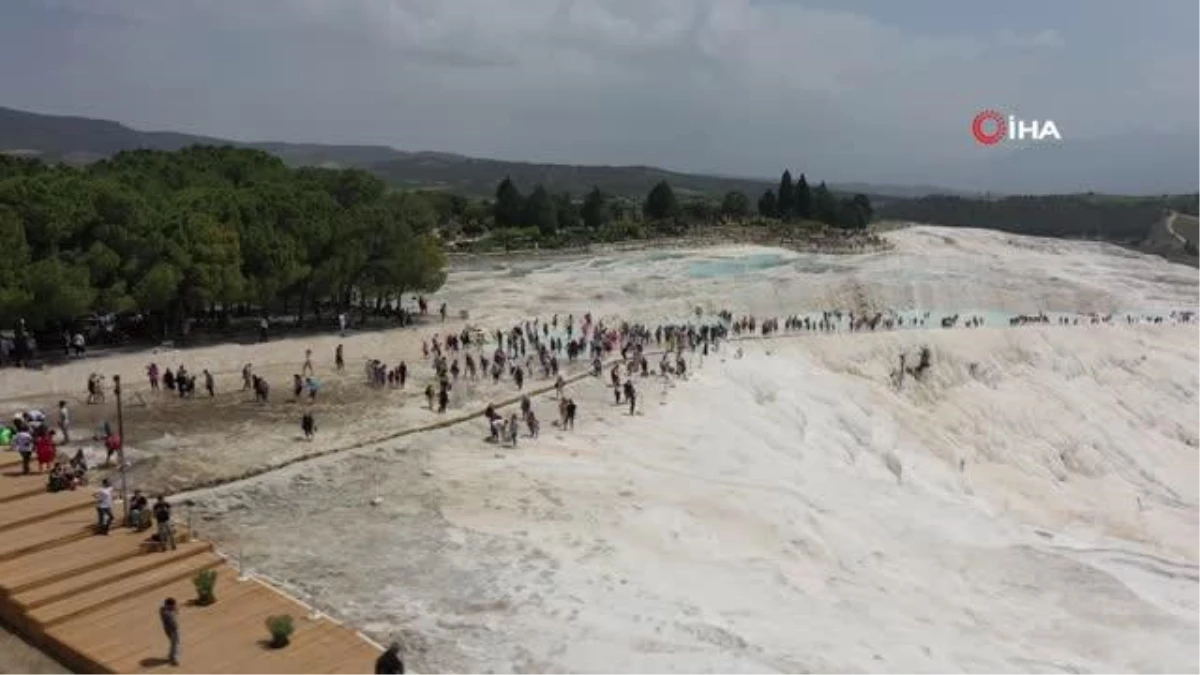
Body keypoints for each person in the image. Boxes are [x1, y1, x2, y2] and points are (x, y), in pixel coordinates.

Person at [160, 597, 180, 666]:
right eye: (173, 605)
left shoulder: (162, 610)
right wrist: (174, 610)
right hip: (173, 629)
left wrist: (174, 610)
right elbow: (173, 619)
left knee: (173, 643)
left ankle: (171, 655)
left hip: (167, 629)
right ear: (169, 605)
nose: (174, 606)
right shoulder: (167, 612)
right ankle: (174, 659)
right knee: (176, 643)